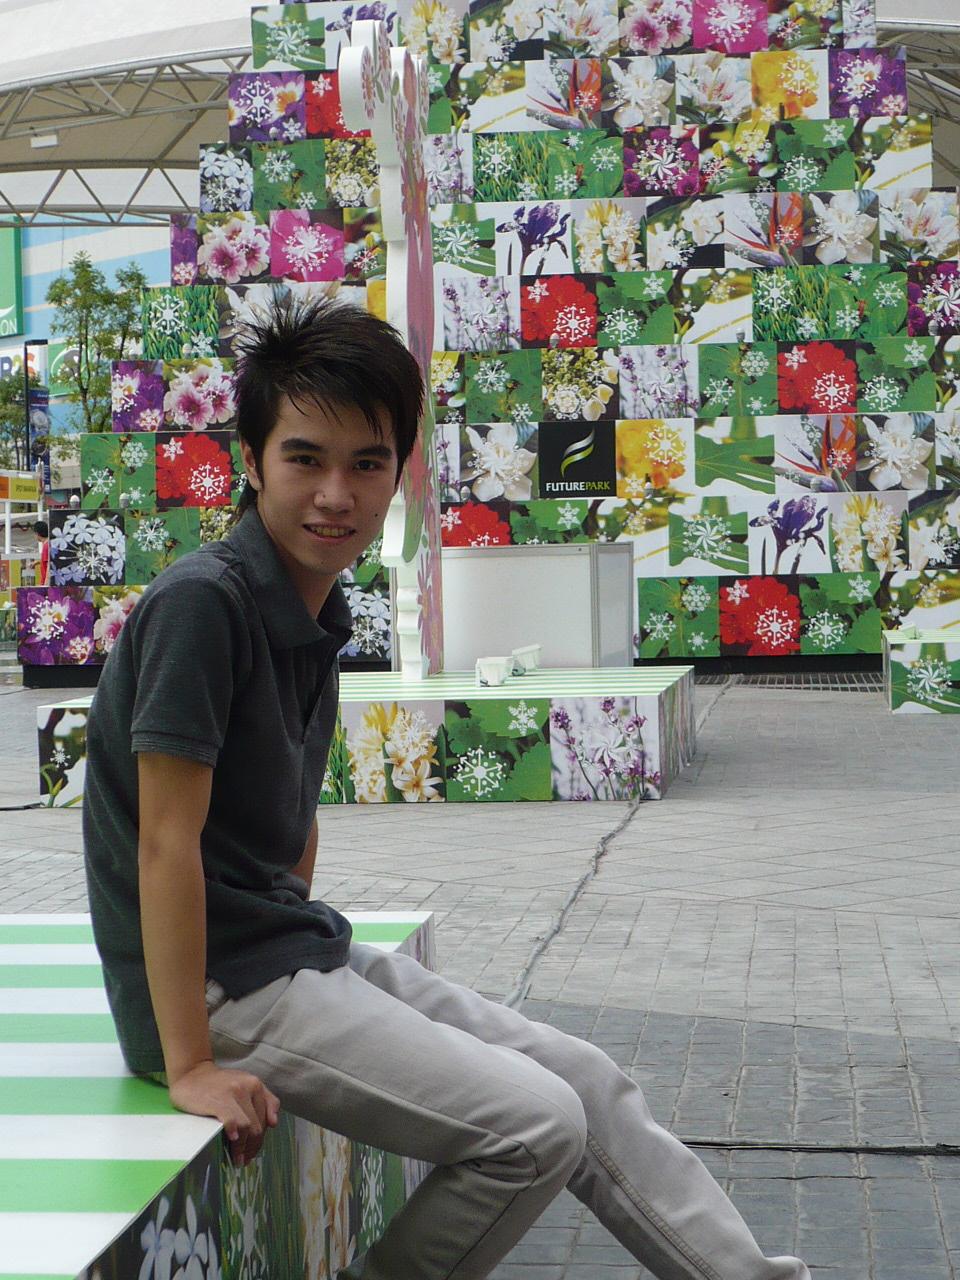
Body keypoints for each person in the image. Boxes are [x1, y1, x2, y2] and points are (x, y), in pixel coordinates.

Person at [83, 297, 811, 1280]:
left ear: (399, 474)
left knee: (587, 1080)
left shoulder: (309, 605)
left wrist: (304, 940)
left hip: (283, 950)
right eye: (304, 458)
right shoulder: (202, 606)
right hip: (220, 990)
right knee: (537, 1127)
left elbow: (290, 823)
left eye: (366, 463)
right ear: (250, 461)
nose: (335, 493)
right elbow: (163, 842)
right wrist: (190, 1063)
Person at [33, 519, 48, 586]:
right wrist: (38, 562)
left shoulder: (46, 546)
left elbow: (48, 567)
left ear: (37, 533)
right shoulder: (48, 544)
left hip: (46, 583)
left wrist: (45, 585)